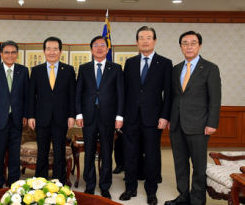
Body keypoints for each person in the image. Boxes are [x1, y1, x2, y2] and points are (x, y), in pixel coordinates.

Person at [165, 31, 221, 205]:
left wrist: (212, 123)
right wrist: (169, 118)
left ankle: (197, 199)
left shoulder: (210, 68)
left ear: (199, 46)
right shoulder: (175, 69)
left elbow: (215, 98)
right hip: (176, 125)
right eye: (185, 43)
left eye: (193, 43)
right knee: (180, 163)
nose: (188, 46)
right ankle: (183, 196)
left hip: (199, 125)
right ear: (181, 46)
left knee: (198, 165)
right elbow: (173, 96)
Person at [119, 26, 172, 205]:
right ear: (137, 42)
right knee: (130, 154)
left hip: (153, 119)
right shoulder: (130, 62)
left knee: (152, 156)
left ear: (155, 41)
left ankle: (151, 191)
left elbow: (169, 93)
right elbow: (125, 92)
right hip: (131, 117)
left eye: (149, 37)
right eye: (141, 37)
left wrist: (165, 116)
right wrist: (121, 116)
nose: (145, 41)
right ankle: (130, 188)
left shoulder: (165, 63)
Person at [75, 35, 124, 198]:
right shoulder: (84, 68)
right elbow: (78, 93)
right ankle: (89, 184)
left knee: (106, 152)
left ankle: (104, 186)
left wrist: (119, 116)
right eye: (96, 45)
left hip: (108, 116)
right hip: (88, 116)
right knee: (88, 151)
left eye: (103, 45)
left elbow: (120, 94)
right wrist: (79, 113)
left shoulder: (116, 68)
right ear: (91, 49)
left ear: (108, 49)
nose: (99, 48)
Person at [28, 36, 76, 185]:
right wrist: (30, 116)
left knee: (59, 151)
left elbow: (72, 96)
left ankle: (58, 182)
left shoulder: (68, 70)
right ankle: (40, 182)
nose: (52, 52)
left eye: (55, 49)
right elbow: (31, 95)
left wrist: (71, 116)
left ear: (60, 51)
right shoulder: (36, 70)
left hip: (61, 118)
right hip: (42, 117)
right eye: (48, 49)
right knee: (42, 152)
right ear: (44, 51)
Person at [0, 40, 29, 189]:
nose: (10, 55)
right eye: (7, 52)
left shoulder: (23, 71)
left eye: (13, 52)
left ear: (17, 54)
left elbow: (25, 96)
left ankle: (13, 182)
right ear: (1, 54)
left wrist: (25, 115)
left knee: (15, 153)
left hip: (17, 119)